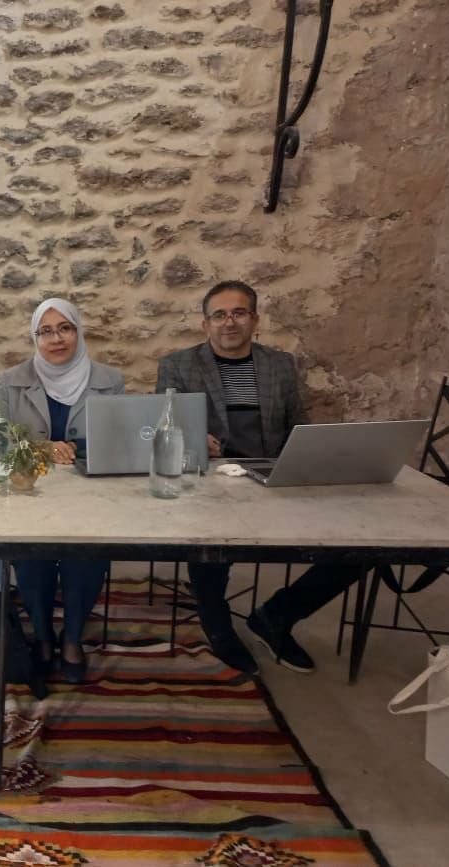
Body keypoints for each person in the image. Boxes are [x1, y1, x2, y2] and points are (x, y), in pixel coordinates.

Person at [156, 280, 359, 675]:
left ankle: (277, 615)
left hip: (273, 473)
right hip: (210, 478)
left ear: (255, 319)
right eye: (219, 315)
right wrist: (196, 440)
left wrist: (310, 462)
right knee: (209, 542)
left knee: (357, 548)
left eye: (238, 313)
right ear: (205, 324)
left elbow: (298, 425)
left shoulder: (279, 365)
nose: (229, 322)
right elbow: (165, 427)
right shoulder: (177, 365)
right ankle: (218, 627)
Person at [0, 298, 123, 683]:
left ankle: (72, 636)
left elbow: (118, 440)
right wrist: (39, 448)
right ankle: (43, 633)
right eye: (45, 331)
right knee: (32, 557)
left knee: (87, 555)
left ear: (78, 331)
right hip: (30, 492)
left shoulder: (110, 380)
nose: (56, 339)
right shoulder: (10, 380)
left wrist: (75, 451)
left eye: (65, 328)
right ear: (35, 337)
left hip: (89, 494)